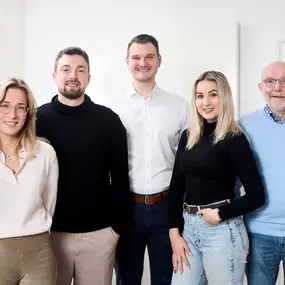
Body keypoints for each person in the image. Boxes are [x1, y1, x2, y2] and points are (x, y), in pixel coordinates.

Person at [36, 47, 130, 285]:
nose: (73, 76)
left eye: (81, 70)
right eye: (66, 69)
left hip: (99, 236)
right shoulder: (36, 121)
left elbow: (120, 179)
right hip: (50, 236)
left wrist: (115, 230)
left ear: (89, 76)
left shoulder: (108, 121)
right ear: (54, 75)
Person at [168, 71, 265, 285]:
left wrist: (220, 213)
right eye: (200, 96)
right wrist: (174, 234)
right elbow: (175, 189)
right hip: (188, 230)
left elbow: (257, 196)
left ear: (224, 97)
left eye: (213, 95)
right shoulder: (188, 136)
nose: (206, 102)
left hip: (222, 232)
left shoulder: (234, 139)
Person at [109, 34, 189, 285]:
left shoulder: (180, 106)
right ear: (127, 61)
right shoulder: (112, 108)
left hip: (167, 207)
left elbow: (188, 159)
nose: (142, 62)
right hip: (126, 207)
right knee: (126, 278)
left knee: (165, 279)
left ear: (159, 60)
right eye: (136, 57)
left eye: (149, 57)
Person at [0, 78, 58, 285]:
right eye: (4, 105)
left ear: (28, 113)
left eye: (20, 107)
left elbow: (48, 204)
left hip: (39, 255)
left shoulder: (45, 153)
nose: (12, 115)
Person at [239, 61, 285, 285]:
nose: (278, 87)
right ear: (260, 87)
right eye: (270, 82)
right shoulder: (244, 126)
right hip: (258, 233)